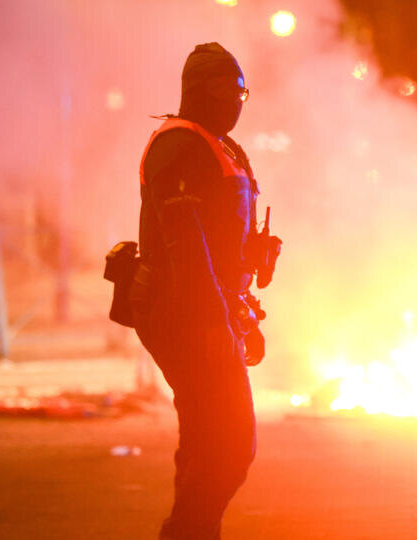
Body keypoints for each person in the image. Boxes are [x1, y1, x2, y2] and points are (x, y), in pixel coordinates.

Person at [132, 42, 277, 539]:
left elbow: (222, 246)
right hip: (183, 314)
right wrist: (216, 326)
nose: (236, 102)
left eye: (242, 93)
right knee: (231, 446)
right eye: (228, 91)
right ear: (199, 91)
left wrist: (243, 313)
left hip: (212, 312)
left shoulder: (222, 147)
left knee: (203, 442)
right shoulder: (179, 145)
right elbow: (189, 252)